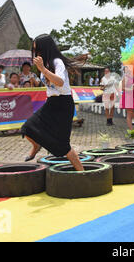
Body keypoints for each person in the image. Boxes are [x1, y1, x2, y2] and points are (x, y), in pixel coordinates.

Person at [20, 34, 84, 171]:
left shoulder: (57, 62)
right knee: (28, 127)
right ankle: (36, 146)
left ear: (45, 48)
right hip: (51, 102)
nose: (36, 52)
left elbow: (60, 82)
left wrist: (43, 69)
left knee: (63, 144)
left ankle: (82, 173)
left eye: (37, 49)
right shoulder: (46, 63)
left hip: (63, 104)